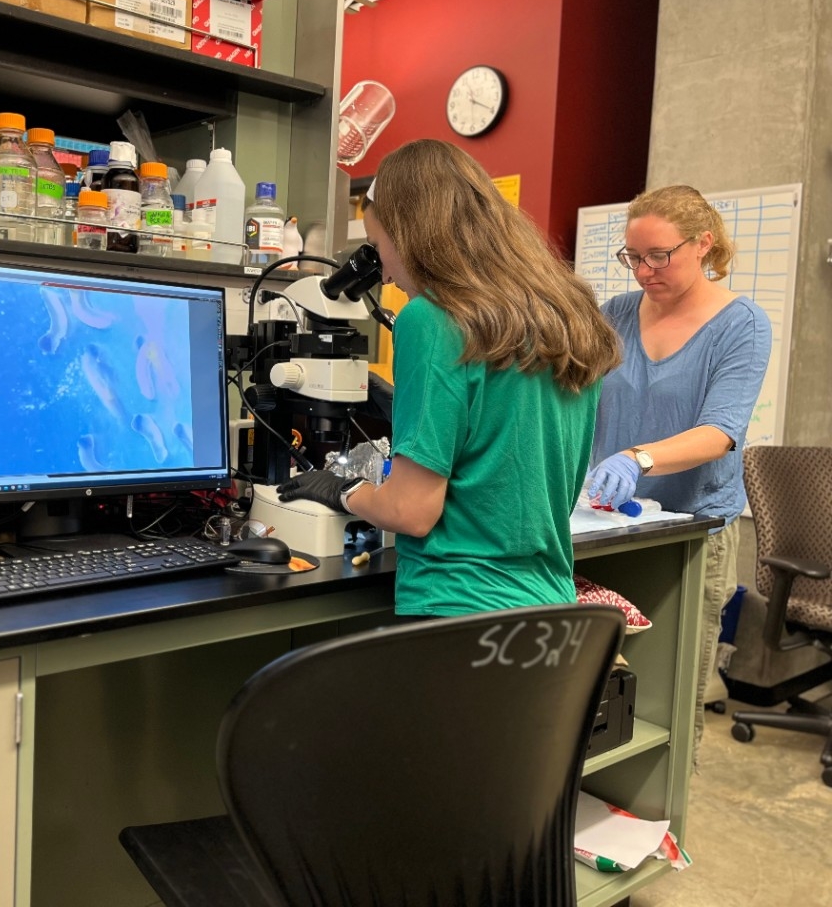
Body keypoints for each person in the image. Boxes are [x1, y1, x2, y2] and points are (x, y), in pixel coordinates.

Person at [278, 139, 621, 617]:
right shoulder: (568, 317)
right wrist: (412, 408)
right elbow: (508, 445)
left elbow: (410, 512)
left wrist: (344, 490)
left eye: (379, 247)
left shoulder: (431, 318)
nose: (385, 275)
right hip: (549, 609)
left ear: (411, 233)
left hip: (457, 609)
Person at [586, 185, 770, 761]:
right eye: (633, 257)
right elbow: (575, 394)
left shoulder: (741, 325)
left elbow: (720, 431)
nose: (644, 271)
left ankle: (665, 804)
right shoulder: (617, 314)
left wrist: (636, 458)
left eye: (659, 256)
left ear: (703, 243)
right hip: (607, 526)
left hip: (690, 535)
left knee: (671, 700)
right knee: (596, 686)